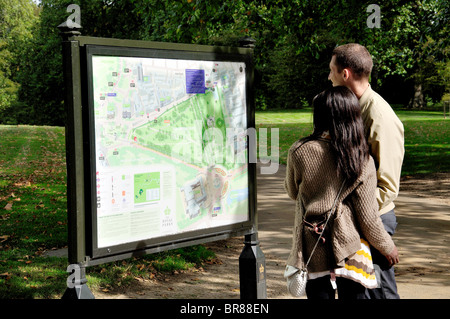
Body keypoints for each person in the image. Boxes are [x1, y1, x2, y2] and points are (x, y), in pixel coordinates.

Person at [284, 86, 399, 299]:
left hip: (313, 243)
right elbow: (368, 218)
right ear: (352, 116)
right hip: (349, 248)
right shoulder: (361, 159)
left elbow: (292, 192)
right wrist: (387, 247)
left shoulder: (298, 151)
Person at [328, 43, 405, 299]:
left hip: (373, 222)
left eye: (332, 71)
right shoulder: (351, 109)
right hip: (354, 222)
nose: (329, 77)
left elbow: (387, 186)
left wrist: (359, 218)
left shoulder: (379, 116)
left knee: (378, 295)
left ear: (345, 74)